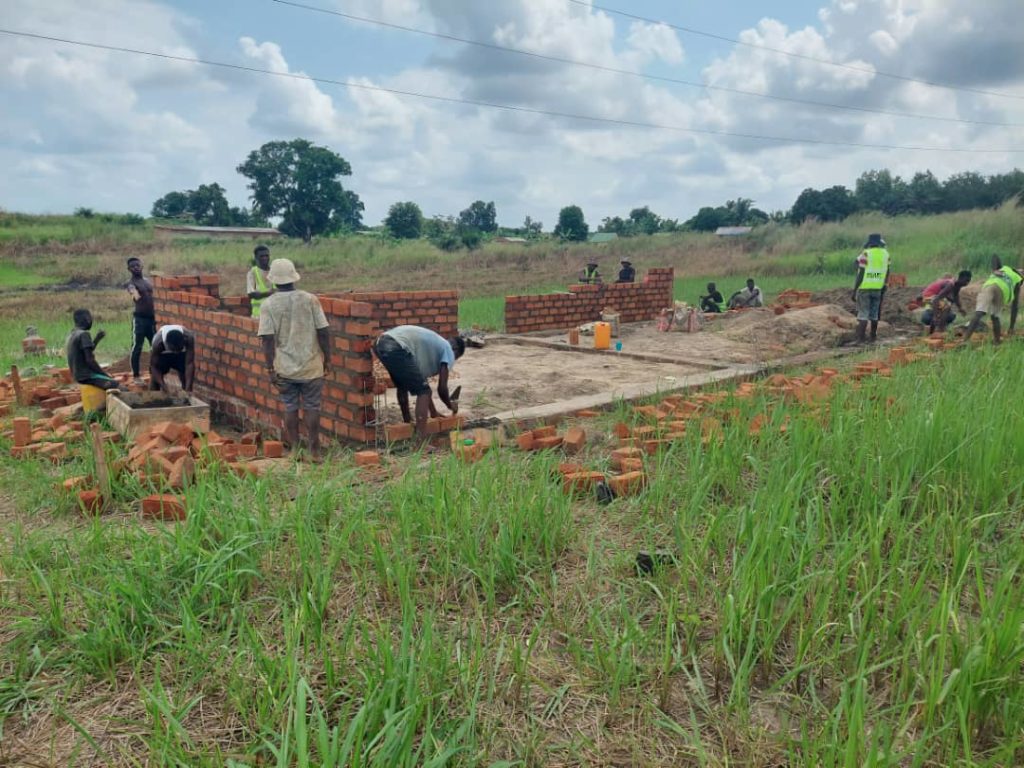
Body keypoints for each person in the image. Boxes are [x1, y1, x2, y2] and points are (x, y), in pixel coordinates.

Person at [258, 258, 331, 460]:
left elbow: (267, 340)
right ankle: (315, 451)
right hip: (312, 366)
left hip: (285, 368)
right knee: (312, 407)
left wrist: (270, 369)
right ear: (294, 277)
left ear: (273, 279)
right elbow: (323, 331)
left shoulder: (268, 305)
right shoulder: (310, 299)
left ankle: (295, 450)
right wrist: (327, 359)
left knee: (290, 407)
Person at [372, 325, 465, 439]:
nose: (452, 360)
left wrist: (433, 412)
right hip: (395, 345)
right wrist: (450, 405)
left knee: (402, 385)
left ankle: (407, 423)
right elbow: (442, 388)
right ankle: (421, 441)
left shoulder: (433, 347)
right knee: (423, 392)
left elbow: (423, 382)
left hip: (380, 343)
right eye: (455, 358)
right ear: (456, 350)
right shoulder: (448, 349)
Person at [963, 257, 1023, 345]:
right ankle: (996, 341)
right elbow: (1015, 306)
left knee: (979, 313)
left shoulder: (1005, 268)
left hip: (989, 286)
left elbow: (995, 257)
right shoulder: (1018, 279)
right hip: (1001, 291)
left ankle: (965, 340)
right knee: (995, 316)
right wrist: (1011, 327)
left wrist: (995, 270)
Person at [66, 309, 119, 391]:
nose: (91, 321)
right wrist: (104, 374)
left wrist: (97, 339)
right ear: (86, 319)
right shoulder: (84, 334)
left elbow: (86, 351)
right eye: (90, 318)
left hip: (78, 375)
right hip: (87, 376)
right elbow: (90, 360)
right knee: (120, 387)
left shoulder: (73, 333)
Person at [852, 233, 890, 344]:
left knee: (863, 314)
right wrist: (885, 284)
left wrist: (855, 290)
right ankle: (873, 337)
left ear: (869, 243)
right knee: (874, 314)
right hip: (878, 287)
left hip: (865, 287)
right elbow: (887, 271)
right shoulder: (886, 254)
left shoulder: (866, 253)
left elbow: (861, 272)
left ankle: (861, 339)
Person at [126, 256, 155, 384]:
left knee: (155, 346)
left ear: (142, 266)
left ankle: (153, 371)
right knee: (137, 347)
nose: (136, 268)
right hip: (140, 320)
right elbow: (135, 295)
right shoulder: (131, 284)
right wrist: (135, 294)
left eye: (137, 265)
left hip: (152, 319)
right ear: (129, 269)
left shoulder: (148, 282)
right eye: (133, 267)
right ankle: (136, 375)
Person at [149, 324, 196, 393]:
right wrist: (163, 385)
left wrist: (188, 388)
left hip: (181, 355)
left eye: (179, 349)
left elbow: (189, 363)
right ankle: (153, 396)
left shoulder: (188, 338)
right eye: (174, 350)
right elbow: (153, 366)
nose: (175, 352)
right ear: (167, 344)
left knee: (185, 375)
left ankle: (186, 395)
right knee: (155, 378)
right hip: (163, 355)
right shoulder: (158, 343)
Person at [247, 244, 274, 318]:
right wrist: (271, 293)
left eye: (267, 256)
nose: (265, 258)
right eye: (261, 256)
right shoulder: (252, 273)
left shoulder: (274, 271)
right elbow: (252, 294)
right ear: (256, 257)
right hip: (259, 316)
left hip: (274, 315)